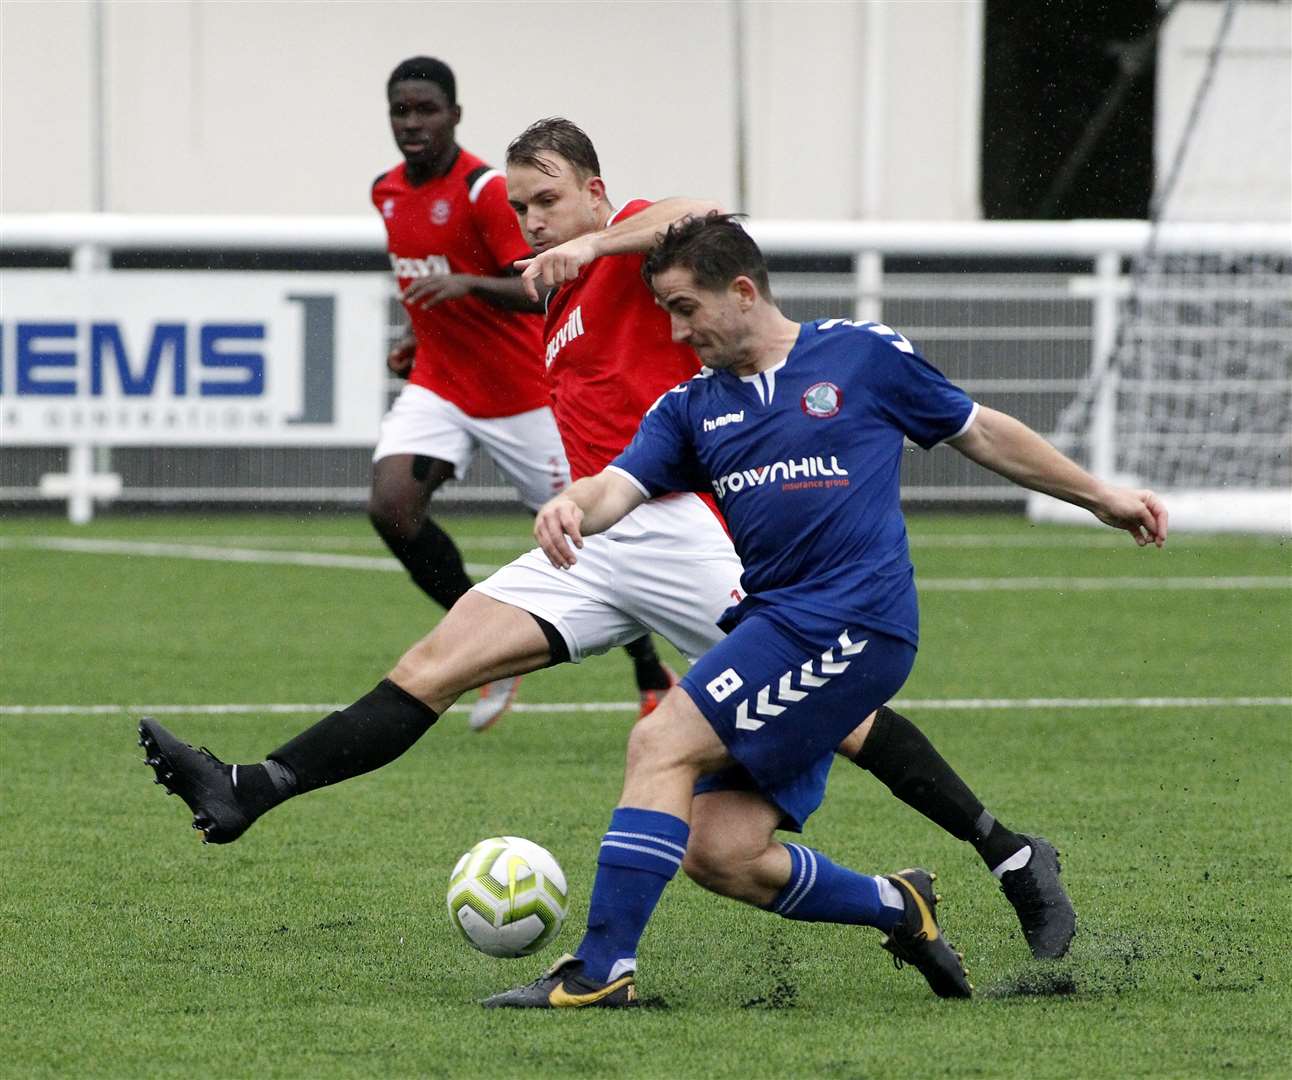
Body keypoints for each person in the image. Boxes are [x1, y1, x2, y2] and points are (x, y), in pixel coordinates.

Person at [140, 119, 1078, 967]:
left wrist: (599, 236)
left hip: (684, 532)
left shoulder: (636, 254)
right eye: (519, 207)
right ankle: (248, 787)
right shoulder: (553, 298)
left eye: (550, 199)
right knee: (432, 664)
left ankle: (1005, 848)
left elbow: (706, 211)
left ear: (596, 191)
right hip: (596, 533)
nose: (533, 220)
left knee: (841, 715)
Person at [481, 213, 1169, 1008]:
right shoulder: (691, 408)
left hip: (857, 622)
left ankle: (600, 973)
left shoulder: (863, 356)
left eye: (683, 307)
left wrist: (1102, 497)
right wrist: (572, 502)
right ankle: (898, 907)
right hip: (777, 626)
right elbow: (619, 487)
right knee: (721, 851)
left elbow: (981, 433)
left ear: (742, 292)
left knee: (660, 743)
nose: (675, 331)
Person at [369, 58, 673, 729]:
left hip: (524, 394)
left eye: (426, 110)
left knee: (601, 533)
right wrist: (420, 338)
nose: (412, 123)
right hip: (440, 385)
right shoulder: (386, 191)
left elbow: (538, 284)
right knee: (392, 506)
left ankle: (653, 675)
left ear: (454, 114)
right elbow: (431, 285)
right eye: (401, 110)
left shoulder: (485, 191)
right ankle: (476, 646)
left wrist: (468, 287)